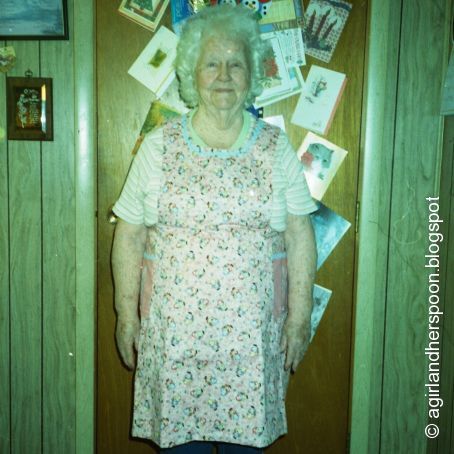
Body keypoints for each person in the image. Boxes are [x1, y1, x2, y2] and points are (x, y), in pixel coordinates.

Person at [111, 4, 318, 453]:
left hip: (251, 341)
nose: (224, 75)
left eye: (236, 64)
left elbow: (301, 233)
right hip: (175, 340)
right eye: (211, 63)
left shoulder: (274, 146)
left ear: (251, 75)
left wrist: (300, 319)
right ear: (191, 71)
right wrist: (126, 315)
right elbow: (128, 233)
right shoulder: (158, 146)